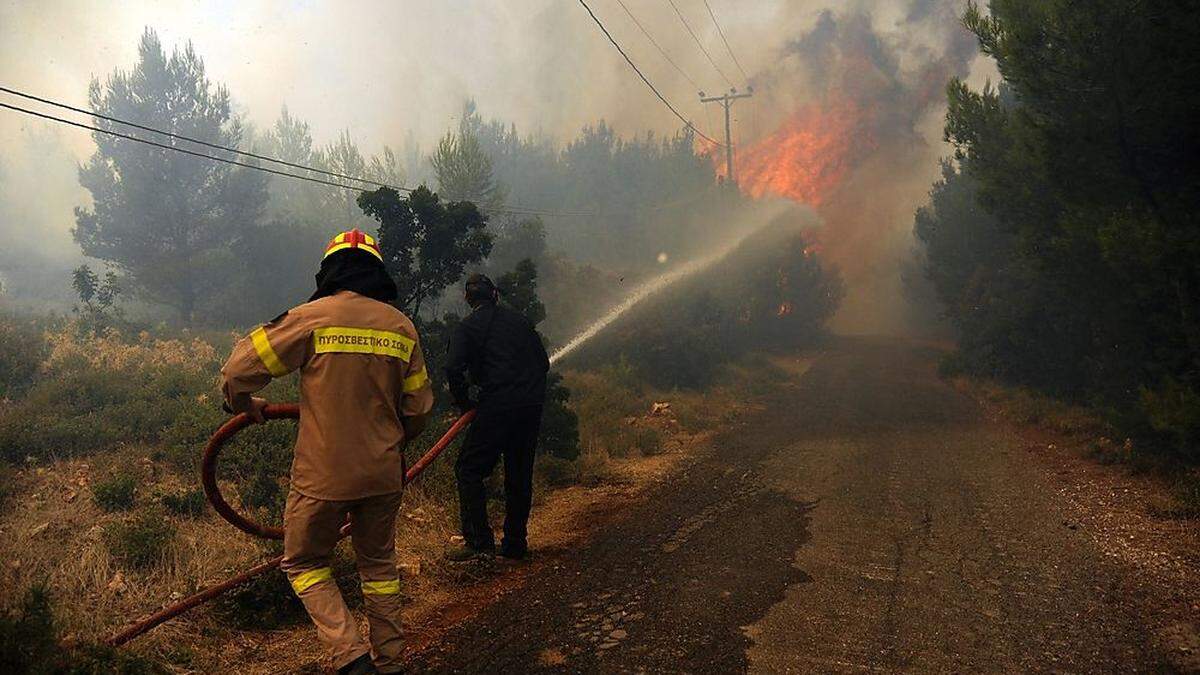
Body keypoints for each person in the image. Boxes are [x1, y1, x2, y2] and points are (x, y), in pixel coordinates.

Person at [220, 229, 433, 675]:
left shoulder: (311, 318)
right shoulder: (400, 327)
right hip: (382, 474)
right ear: (376, 272)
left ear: (330, 271)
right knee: (378, 569)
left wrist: (245, 406)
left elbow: (239, 371)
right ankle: (389, 664)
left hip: (323, 476)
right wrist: (388, 443)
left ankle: (352, 659)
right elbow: (418, 412)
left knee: (304, 562)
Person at [444, 273, 549, 562]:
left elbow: (453, 368)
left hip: (496, 406)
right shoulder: (520, 322)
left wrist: (464, 401)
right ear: (495, 295)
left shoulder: (467, 328)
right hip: (530, 406)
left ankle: (479, 544)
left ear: (469, 299)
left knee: (469, 469)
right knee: (518, 472)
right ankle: (515, 543)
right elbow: (543, 363)